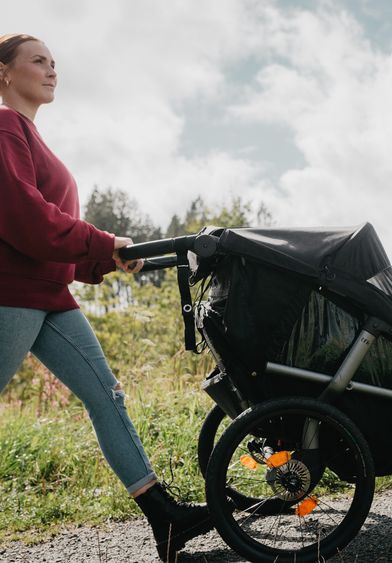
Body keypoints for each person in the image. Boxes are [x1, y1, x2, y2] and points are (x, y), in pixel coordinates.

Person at [0, 33, 211, 561]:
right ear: (5, 73)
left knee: (106, 397)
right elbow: (26, 219)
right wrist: (102, 241)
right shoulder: (3, 127)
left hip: (49, 295)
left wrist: (102, 259)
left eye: (55, 62)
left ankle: (164, 518)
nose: (51, 70)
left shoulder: (31, 135)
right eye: (38, 61)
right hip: (12, 293)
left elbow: (51, 238)